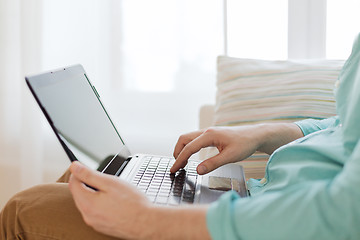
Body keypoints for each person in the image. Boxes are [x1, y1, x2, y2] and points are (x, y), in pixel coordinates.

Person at [2, 34, 360, 240]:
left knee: (25, 208)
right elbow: (345, 127)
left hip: (270, 223)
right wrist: (263, 133)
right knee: (87, 179)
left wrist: (147, 219)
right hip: (265, 202)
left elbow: (345, 217)